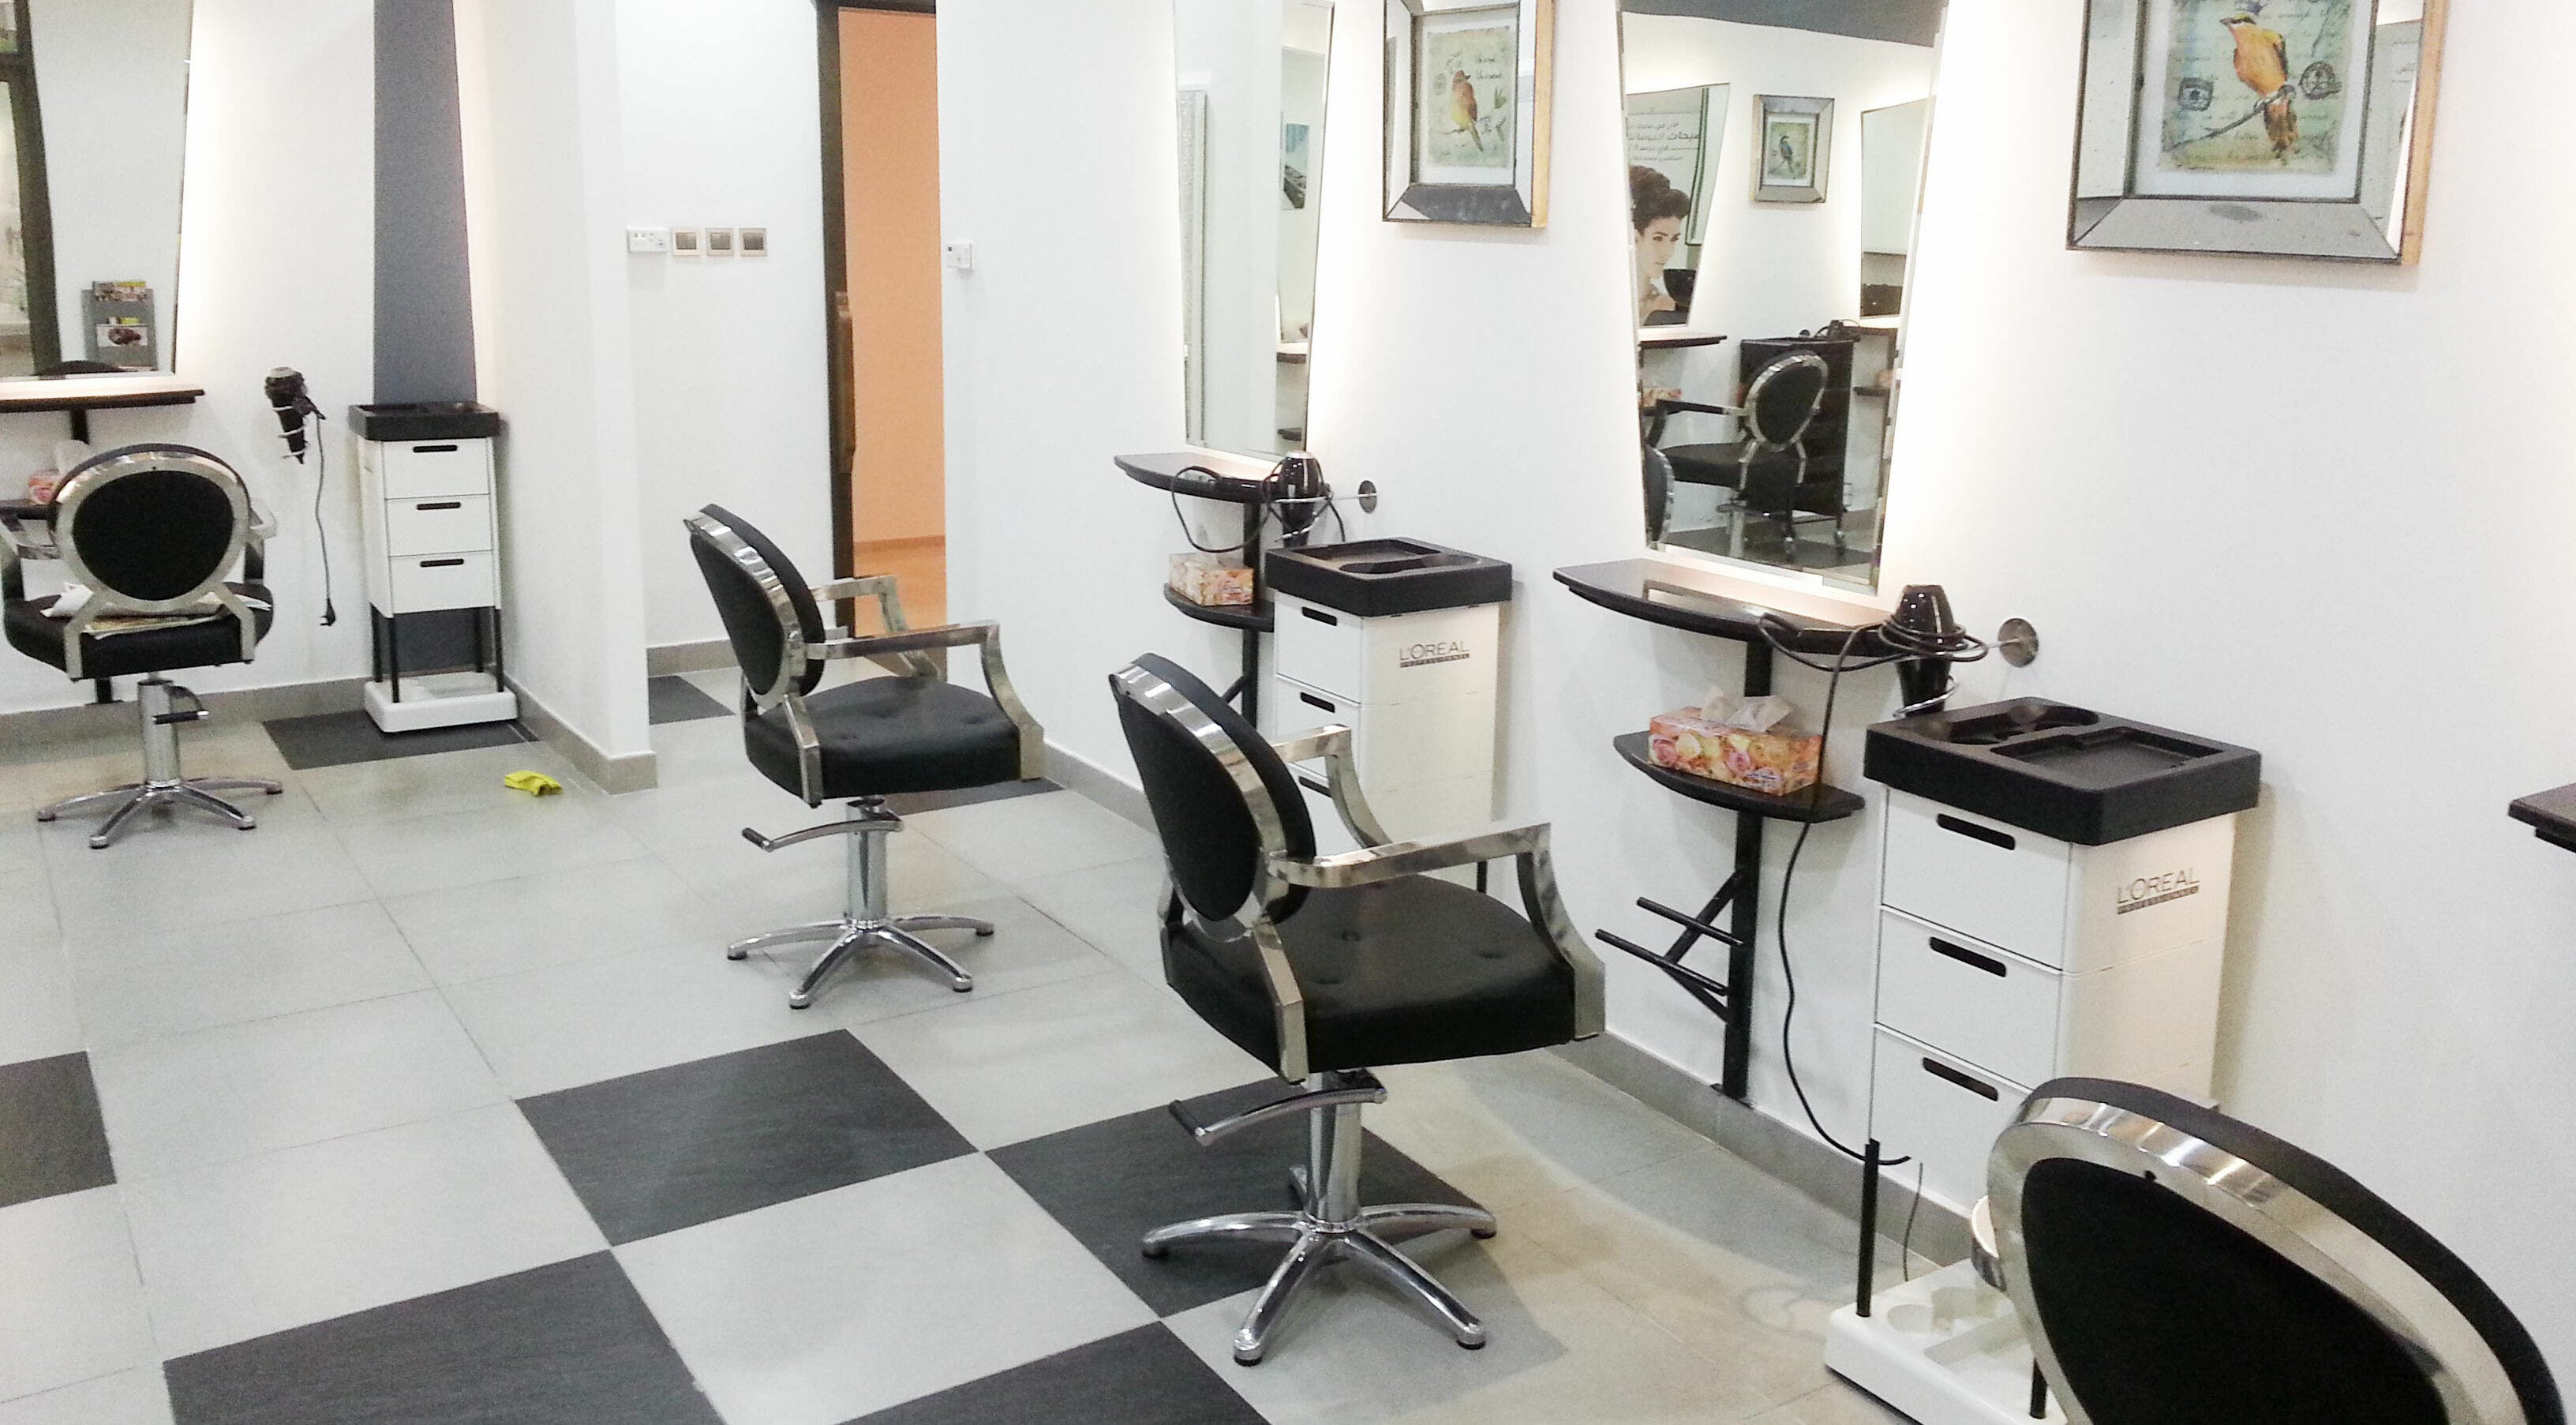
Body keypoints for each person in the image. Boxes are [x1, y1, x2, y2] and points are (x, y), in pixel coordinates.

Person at [1631, 166, 1693, 324]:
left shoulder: (1667, 307)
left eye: (1673, 239)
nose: (1668, 252)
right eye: (1658, 239)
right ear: (1635, 237)